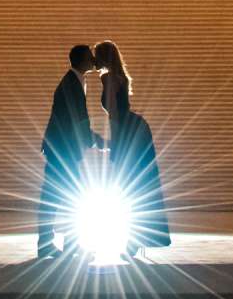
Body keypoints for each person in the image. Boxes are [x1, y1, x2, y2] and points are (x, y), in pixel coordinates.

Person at [93, 40, 171, 254]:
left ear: (104, 58)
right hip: (137, 129)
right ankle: (137, 239)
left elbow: (115, 116)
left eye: (96, 55)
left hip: (128, 132)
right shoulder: (120, 77)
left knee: (128, 187)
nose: (93, 60)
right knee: (138, 186)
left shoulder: (108, 78)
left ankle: (134, 241)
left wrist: (116, 146)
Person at [37, 43, 99, 256]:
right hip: (63, 150)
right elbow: (78, 119)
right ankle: (66, 245)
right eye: (90, 56)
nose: (93, 59)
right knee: (66, 196)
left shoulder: (73, 81)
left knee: (59, 196)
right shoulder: (72, 84)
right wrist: (95, 140)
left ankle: (51, 244)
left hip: (62, 148)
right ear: (82, 60)